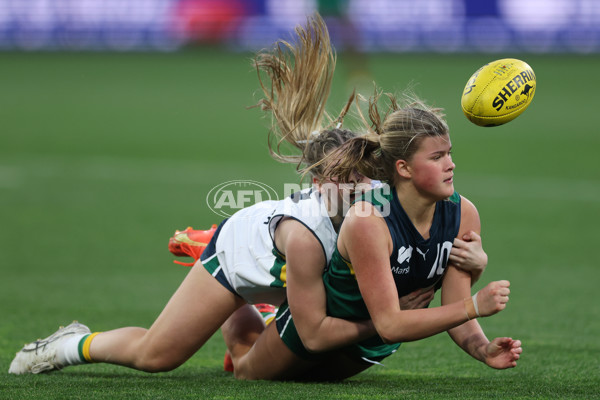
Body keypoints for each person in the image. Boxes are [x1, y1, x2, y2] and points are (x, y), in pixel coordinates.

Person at [9, 15, 481, 376]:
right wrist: (392, 320)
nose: (352, 189)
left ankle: (255, 307)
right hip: (242, 254)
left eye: (358, 180)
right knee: (157, 356)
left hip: (294, 272)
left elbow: (416, 251)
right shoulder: (305, 236)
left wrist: (471, 261)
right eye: (337, 182)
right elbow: (316, 334)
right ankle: (72, 344)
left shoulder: (379, 202)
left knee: (260, 345)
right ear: (316, 187)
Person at [218, 90, 521, 381]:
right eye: (437, 157)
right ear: (403, 168)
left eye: (449, 153)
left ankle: (266, 310)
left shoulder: (462, 214)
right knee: (245, 369)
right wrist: (475, 306)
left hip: (373, 344)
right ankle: (234, 274)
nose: (450, 164)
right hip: (326, 327)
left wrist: (483, 350)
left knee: (314, 382)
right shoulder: (368, 219)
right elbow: (390, 323)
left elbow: (452, 306)